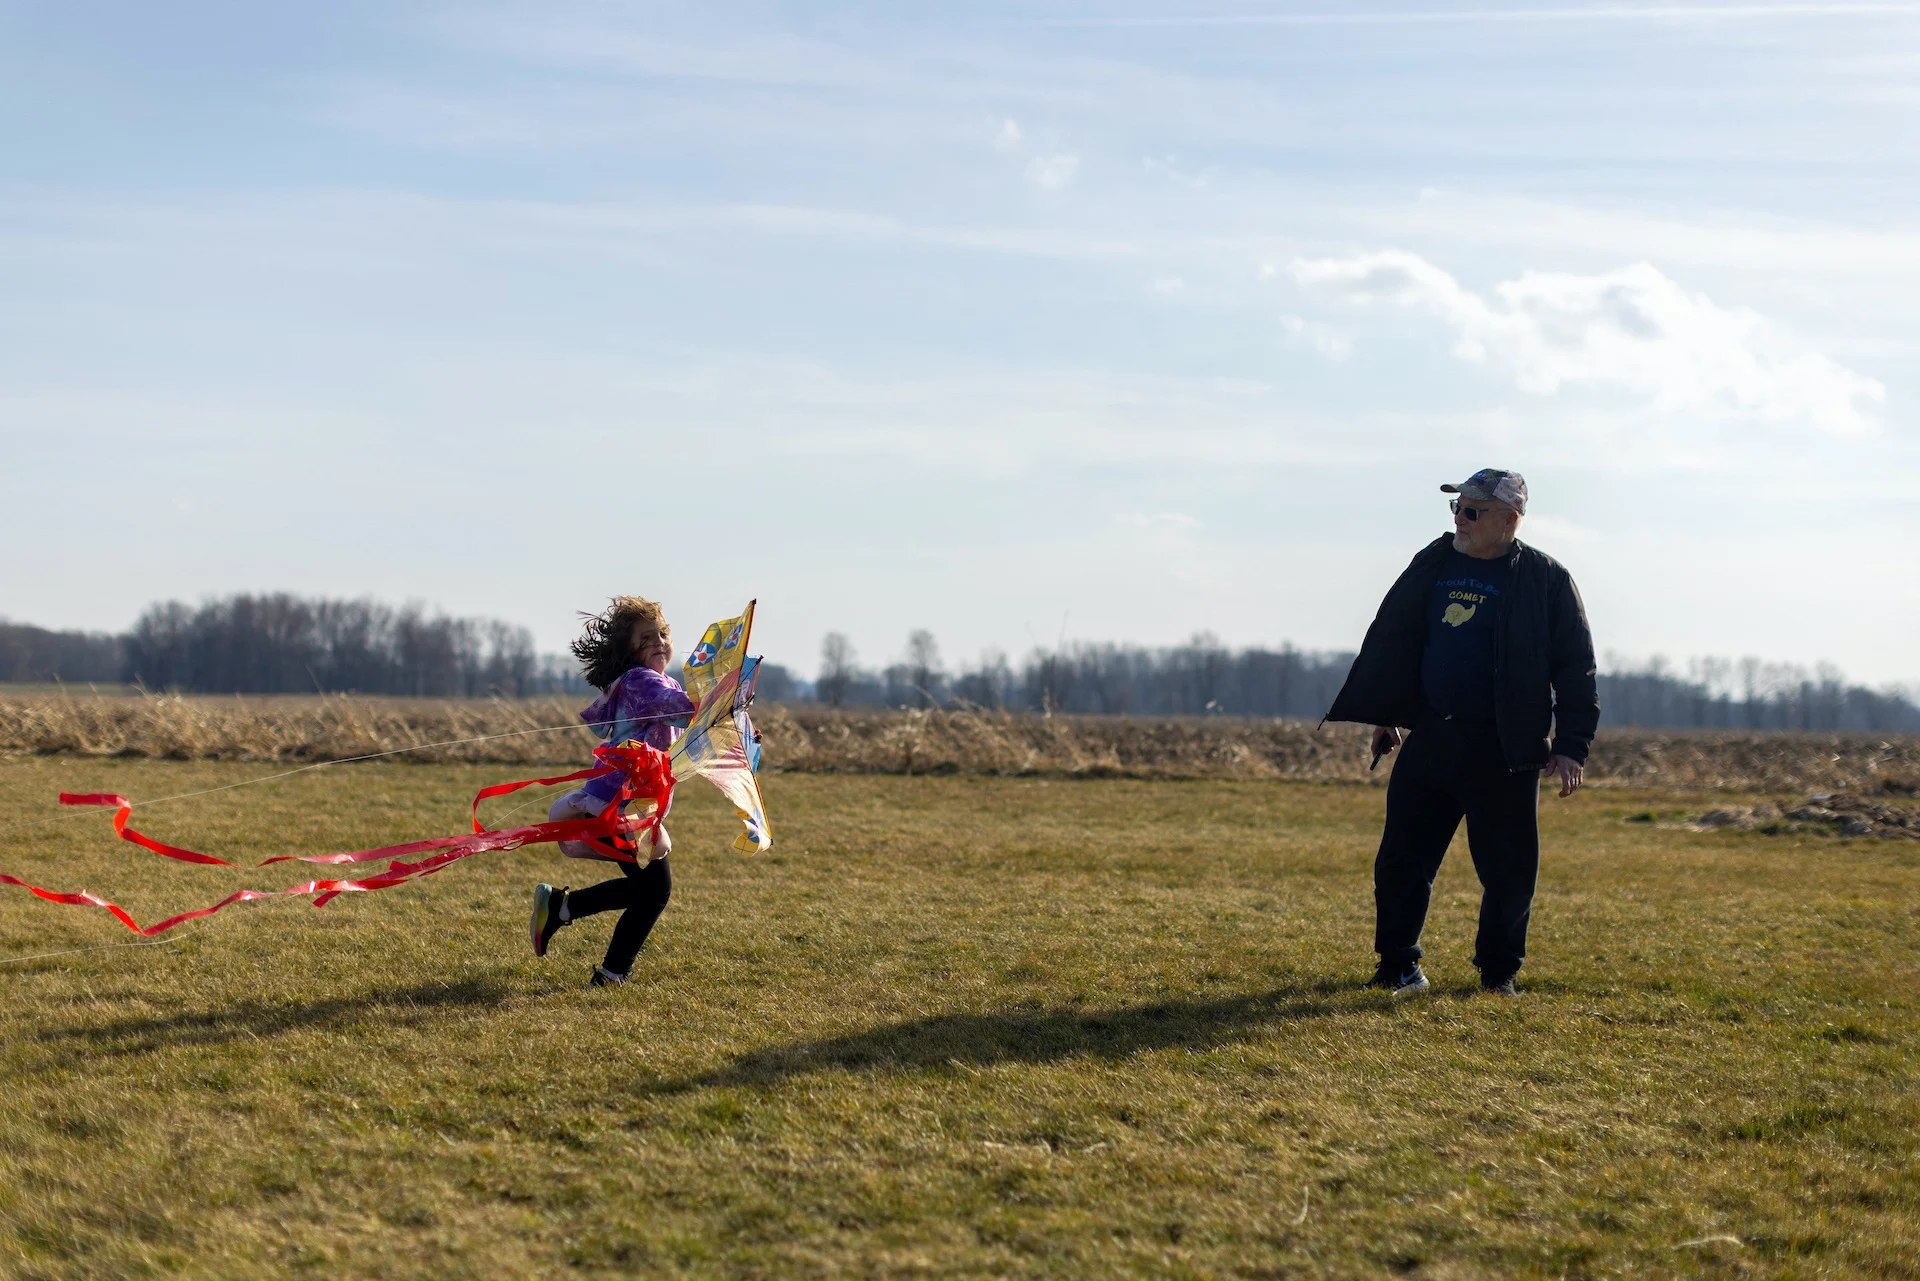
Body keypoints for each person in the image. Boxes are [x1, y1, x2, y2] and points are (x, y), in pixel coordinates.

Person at [1323, 469, 1598, 997]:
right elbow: (1401, 640)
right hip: (1433, 739)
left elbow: (1576, 669)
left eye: (1473, 511)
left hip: (1506, 751)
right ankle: (1398, 967)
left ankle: (1499, 976)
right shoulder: (1435, 563)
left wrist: (1570, 747)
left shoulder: (1546, 580)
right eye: (1456, 509)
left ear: (1510, 519)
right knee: (1401, 861)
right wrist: (1390, 712)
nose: (1459, 520)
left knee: (1508, 873)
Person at [529, 596, 695, 988]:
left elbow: (690, 728)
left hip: (626, 804)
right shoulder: (642, 682)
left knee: (647, 888)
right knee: (654, 890)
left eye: (664, 634)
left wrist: (732, 717)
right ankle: (611, 972)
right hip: (618, 806)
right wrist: (723, 698)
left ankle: (560, 908)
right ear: (629, 649)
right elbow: (682, 710)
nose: (659, 642)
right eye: (647, 637)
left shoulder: (657, 681)